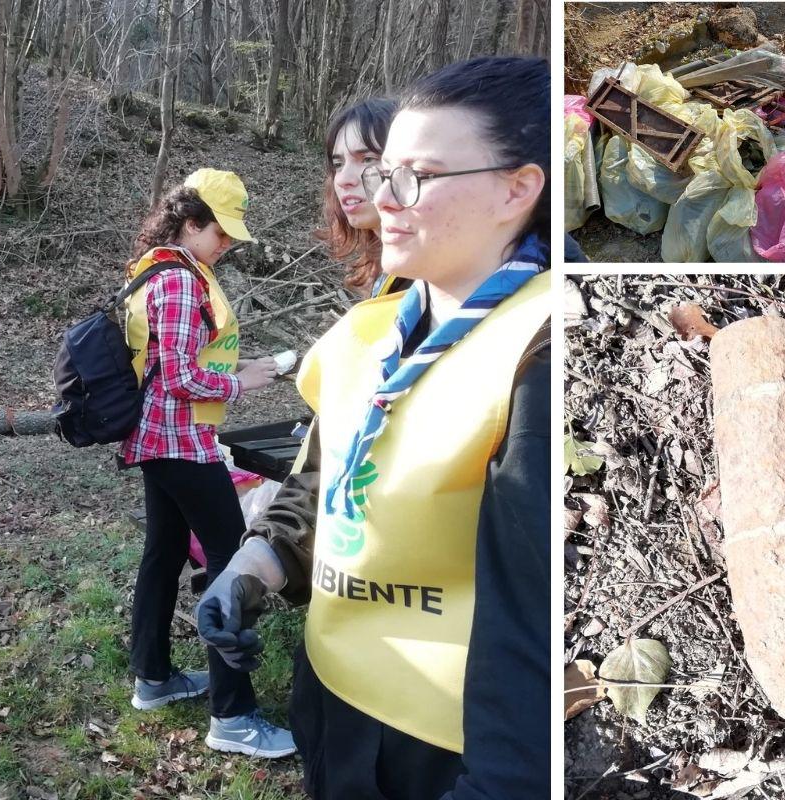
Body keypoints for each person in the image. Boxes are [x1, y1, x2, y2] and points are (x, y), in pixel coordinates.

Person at [196, 56, 552, 798]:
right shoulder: (370, 331)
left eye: (413, 176)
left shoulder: (543, 346)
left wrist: (503, 782)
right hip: (332, 700)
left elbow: (538, 618)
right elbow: (322, 480)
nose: (379, 197)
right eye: (376, 172)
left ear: (518, 188)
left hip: (445, 745)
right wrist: (253, 568)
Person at [119, 169, 295, 759]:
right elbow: (180, 376)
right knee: (229, 558)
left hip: (166, 440)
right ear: (190, 223)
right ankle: (234, 715)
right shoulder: (175, 281)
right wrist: (241, 381)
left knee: (164, 552)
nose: (226, 246)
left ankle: (155, 678)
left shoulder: (171, 271)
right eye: (220, 233)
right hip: (177, 440)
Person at [316, 97, 412, 298]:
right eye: (338, 164)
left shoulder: (430, 278)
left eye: (367, 159)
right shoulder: (381, 266)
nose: (343, 179)